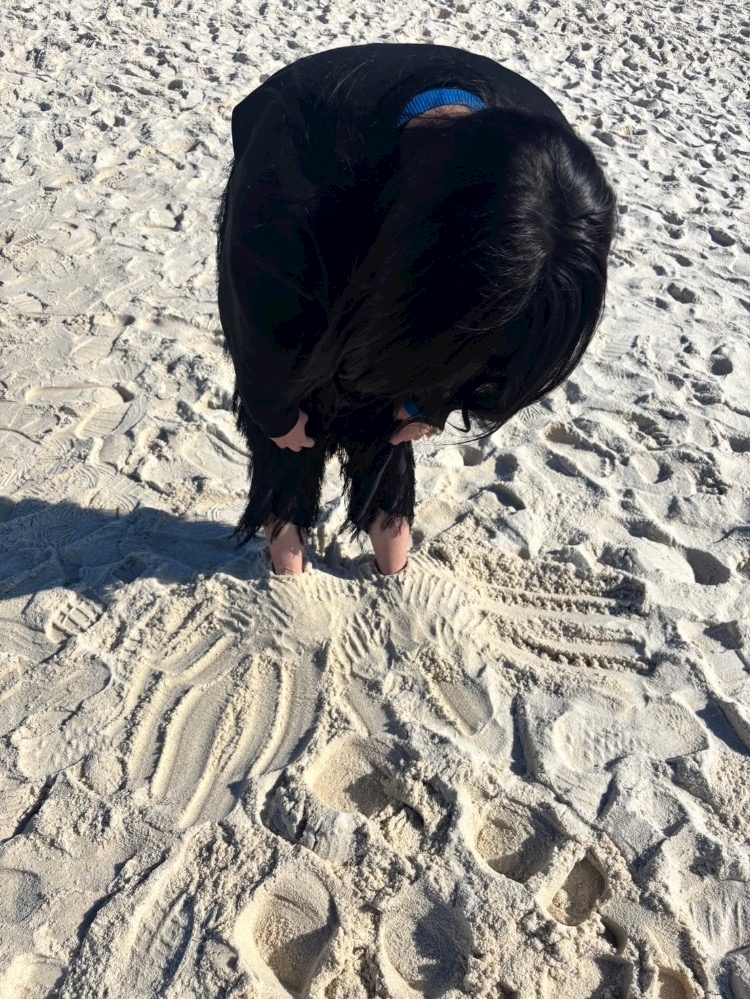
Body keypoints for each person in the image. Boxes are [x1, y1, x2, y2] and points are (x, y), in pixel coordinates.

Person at [215, 42, 617, 578]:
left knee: (366, 435)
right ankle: (302, 576)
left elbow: (489, 340)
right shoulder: (291, 168)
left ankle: (338, 569)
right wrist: (272, 409)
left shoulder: (553, 174)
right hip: (313, 196)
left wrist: (429, 402)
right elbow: (256, 311)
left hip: (396, 234)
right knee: (294, 436)